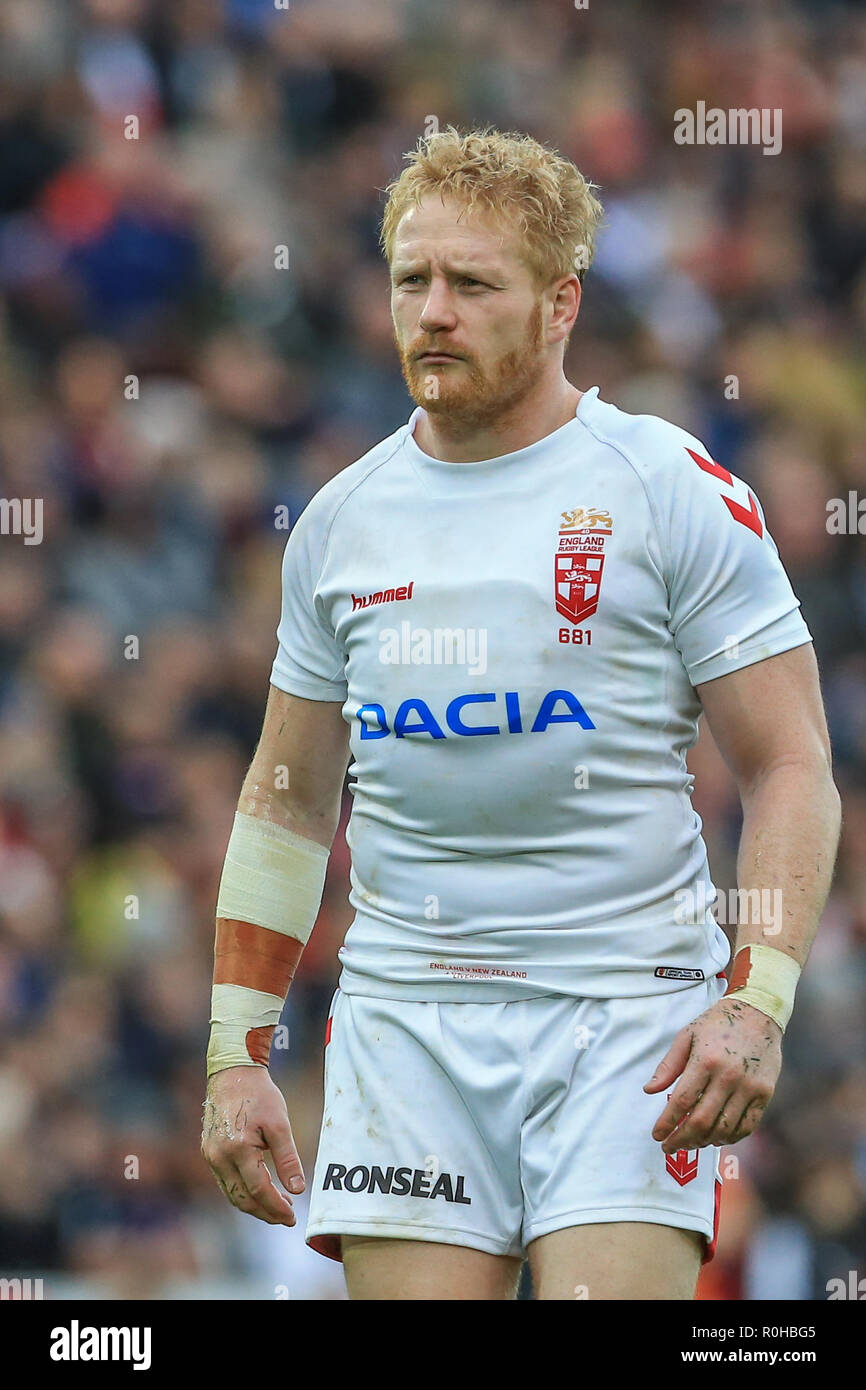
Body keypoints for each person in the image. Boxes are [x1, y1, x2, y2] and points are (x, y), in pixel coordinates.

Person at [201, 127, 841, 1300]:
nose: (431, 311)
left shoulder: (664, 488)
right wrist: (233, 1054)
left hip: (626, 1020)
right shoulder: (342, 521)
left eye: (471, 284)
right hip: (409, 1023)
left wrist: (754, 1002)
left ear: (560, 305)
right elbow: (287, 803)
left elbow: (792, 763)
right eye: (410, 279)